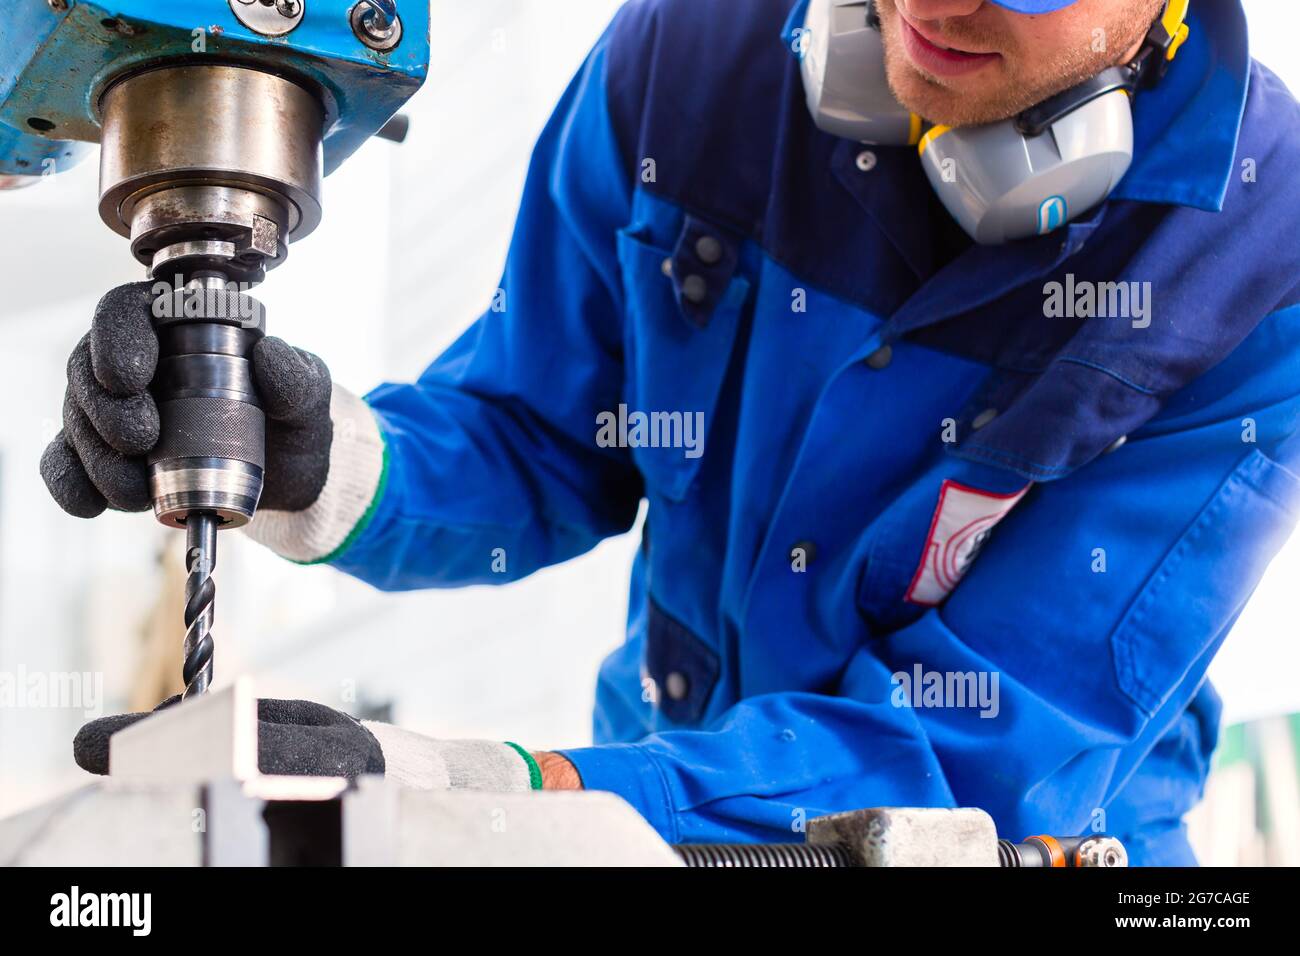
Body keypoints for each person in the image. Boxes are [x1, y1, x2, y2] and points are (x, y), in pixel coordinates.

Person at [44, 0, 1300, 865]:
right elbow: (538, 433)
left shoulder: (1258, 258)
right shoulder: (695, 59)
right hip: (643, 801)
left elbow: (978, 750)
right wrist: (310, 461)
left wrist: (495, 793)